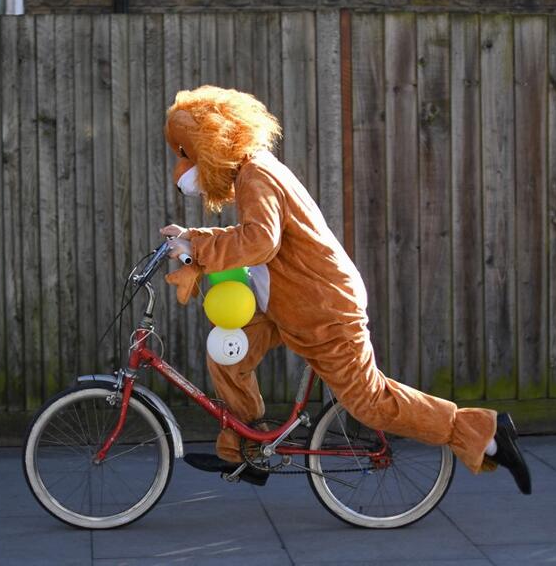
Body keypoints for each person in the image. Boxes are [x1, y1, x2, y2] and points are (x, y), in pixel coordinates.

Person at [160, 85, 531, 494]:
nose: (183, 170)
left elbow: (260, 241)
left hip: (322, 309)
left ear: (211, 143)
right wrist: (195, 237)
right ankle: (247, 450)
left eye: (186, 154)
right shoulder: (254, 170)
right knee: (228, 355)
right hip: (288, 302)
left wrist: (199, 248)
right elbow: (258, 234)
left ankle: (481, 433)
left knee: (369, 402)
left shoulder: (257, 175)